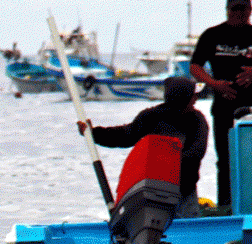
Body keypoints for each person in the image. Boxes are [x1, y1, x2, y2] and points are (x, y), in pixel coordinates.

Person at [189, 0, 252, 209]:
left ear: (250, 11)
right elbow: (195, 66)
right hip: (224, 105)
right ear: (228, 10)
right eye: (235, 9)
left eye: (243, 9)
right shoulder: (212, 35)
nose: (239, 14)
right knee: (226, 159)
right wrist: (213, 84)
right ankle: (226, 205)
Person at [78, 77, 209, 218]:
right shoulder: (151, 116)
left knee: (187, 219)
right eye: (193, 96)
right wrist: (93, 134)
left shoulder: (197, 120)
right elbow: (125, 135)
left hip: (185, 191)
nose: (196, 99)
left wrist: (170, 163)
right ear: (184, 98)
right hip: (154, 188)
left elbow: (197, 151)